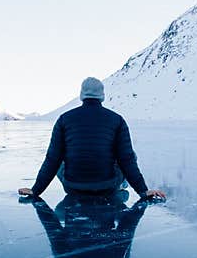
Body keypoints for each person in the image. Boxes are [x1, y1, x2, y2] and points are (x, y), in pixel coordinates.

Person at [18, 77, 166, 200]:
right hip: (107, 186)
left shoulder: (64, 119)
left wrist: (36, 190)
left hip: (73, 187)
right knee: (130, 155)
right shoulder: (117, 120)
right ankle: (121, 185)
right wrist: (143, 191)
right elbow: (126, 159)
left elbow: (52, 159)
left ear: (82, 94)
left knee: (60, 156)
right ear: (102, 95)